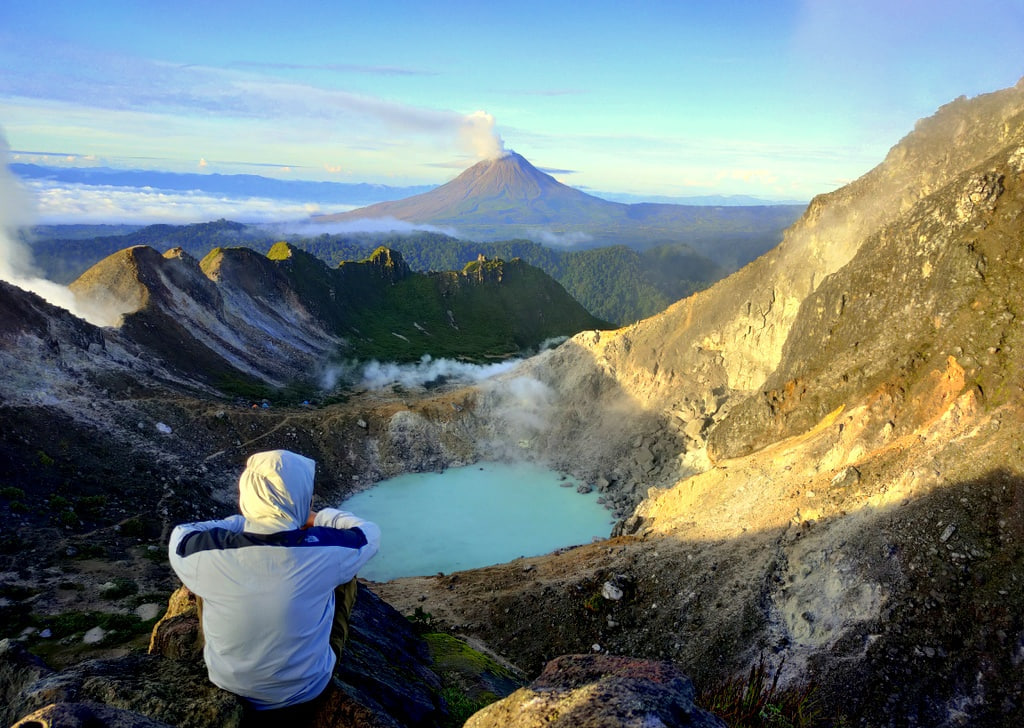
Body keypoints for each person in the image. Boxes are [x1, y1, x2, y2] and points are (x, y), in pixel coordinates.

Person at [168, 449, 380, 722]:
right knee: (344, 575)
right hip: (306, 689)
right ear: (300, 496)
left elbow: (183, 532)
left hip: (227, 682)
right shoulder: (325, 553)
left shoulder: (200, 553)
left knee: (202, 582)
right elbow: (368, 533)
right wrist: (315, 517)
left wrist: (244, 521)